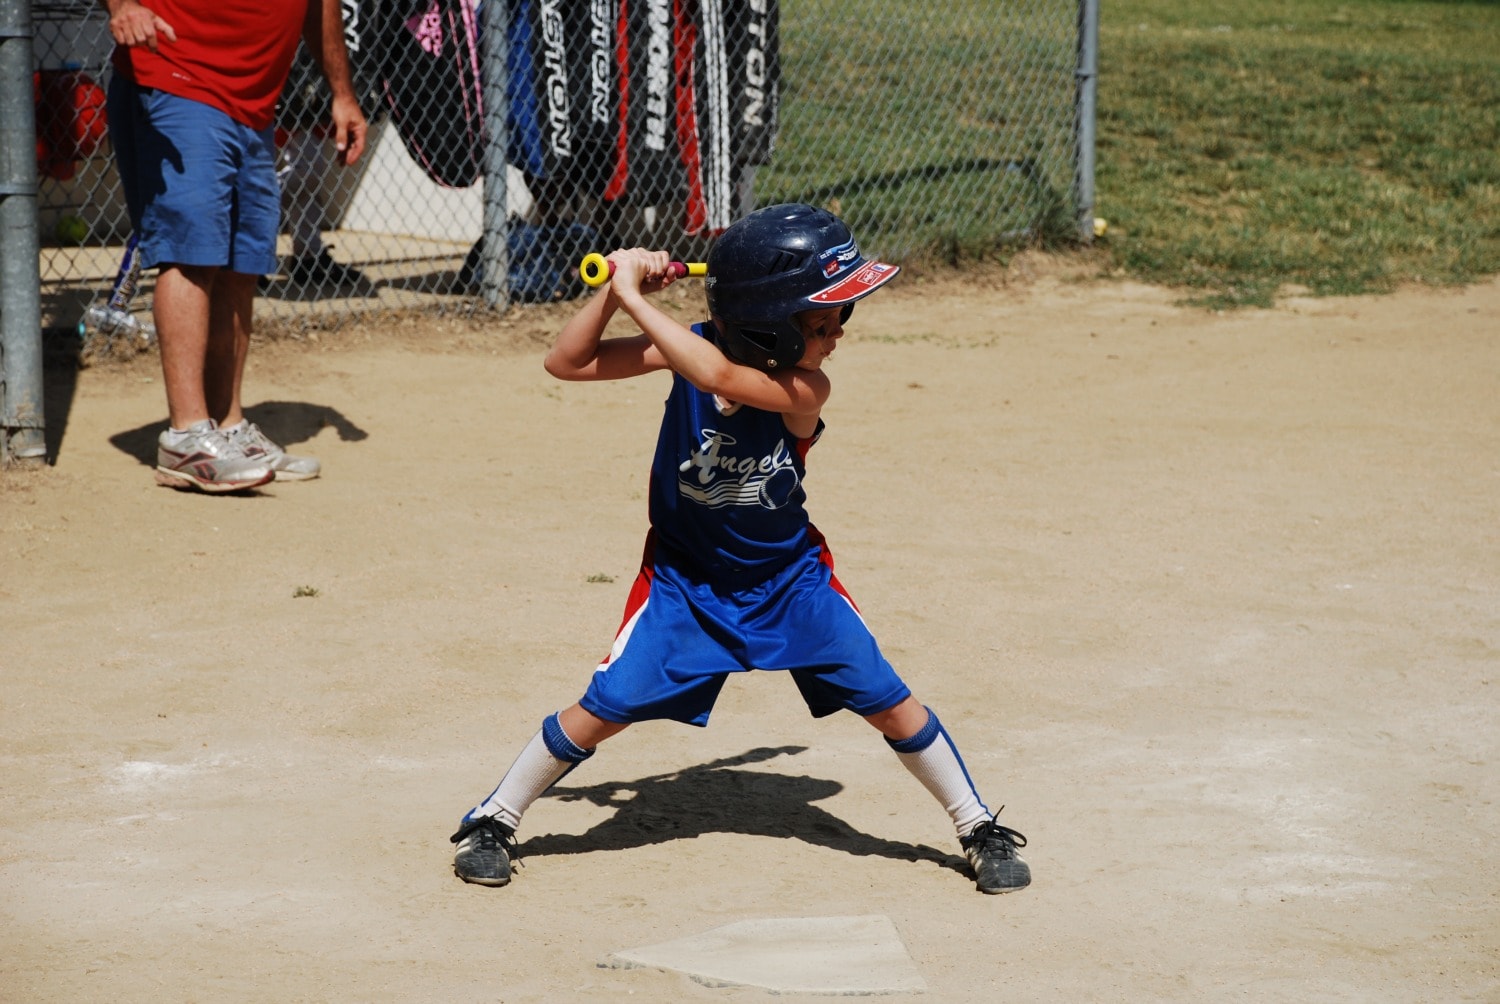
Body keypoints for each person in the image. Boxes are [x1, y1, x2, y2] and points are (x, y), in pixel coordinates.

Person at [449, 203, 1031, 895]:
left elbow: (718, 379)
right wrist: (613, 291)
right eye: (819, 323)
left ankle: (977, 826)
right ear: (763, 325)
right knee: (606, 706)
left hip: (789, 581)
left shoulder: (802, 385)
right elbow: (566, 362)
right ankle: (493, 818)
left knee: (887, 700)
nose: (837, 336)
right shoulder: (692, 344)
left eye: (839, 321)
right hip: (686, 585)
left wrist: (637, 296)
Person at [104, 0, 367, 492]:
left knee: (242, 263)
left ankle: (227, 429)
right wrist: (122, 5)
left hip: (252, 104)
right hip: (178, 77)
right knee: (191, 252)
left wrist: (342, 93)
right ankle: (186, 437)